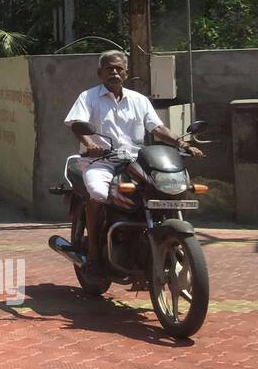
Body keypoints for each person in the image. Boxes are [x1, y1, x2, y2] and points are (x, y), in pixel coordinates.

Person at [65, 50, 203, 255]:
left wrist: (183, 144)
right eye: (109, 68)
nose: (114, 72)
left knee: (163, 190)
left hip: (134, 161)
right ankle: (94, 250)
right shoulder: (88, 97)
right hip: (100, 162)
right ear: (100, 73)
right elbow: (77, 123)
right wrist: (90, 143)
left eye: (119, 68)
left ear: (126, 73)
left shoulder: (139, 100)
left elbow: (157, 128)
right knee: (98, 194)